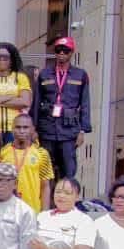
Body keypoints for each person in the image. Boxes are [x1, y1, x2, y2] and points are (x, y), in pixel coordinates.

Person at [33, 36, 92, 179]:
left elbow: (85, 103)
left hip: (69, 130)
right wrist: (33, 128)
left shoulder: (80, 75)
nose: (61, 53)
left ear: (71, 53)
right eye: (58, 50)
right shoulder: (44, 74)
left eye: (65, 50)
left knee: (68, 170)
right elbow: (36, 102)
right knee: (45, 169)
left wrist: (82, 131)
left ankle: (66, 192)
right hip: (47, 128)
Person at [0, 114, 54, 213]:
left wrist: (44, 213)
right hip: (7, 210)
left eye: (25, 127)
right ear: (12, 129)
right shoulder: (2, 153)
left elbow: (45, 186)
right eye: (18, 127)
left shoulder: (41, 153)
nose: (22, 131)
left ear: (32, 129)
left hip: (32, 210)